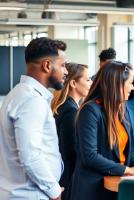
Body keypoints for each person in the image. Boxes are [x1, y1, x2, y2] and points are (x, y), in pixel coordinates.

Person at [71, 61, 134, 200]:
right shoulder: (90, 110)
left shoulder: (121, 110)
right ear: (116, 84)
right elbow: (89, 156)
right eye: (129, 83)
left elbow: (126, 153)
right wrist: (128, 170)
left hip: (116, 184)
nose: (132, 88)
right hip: (93, 190)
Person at [0, 37, 67, 200]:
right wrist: (54, 191)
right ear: (47, 65)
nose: (66, 71)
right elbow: (30, 155)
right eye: (63, 65)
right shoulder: (32, 101)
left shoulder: (17, 94)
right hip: (30, 194)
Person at [50, 62, 92, 200]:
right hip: (67, 179)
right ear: (73, 83)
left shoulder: (67, 106)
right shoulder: (70, 111)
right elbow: (70, 152)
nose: (91, 83)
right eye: (87, 79)